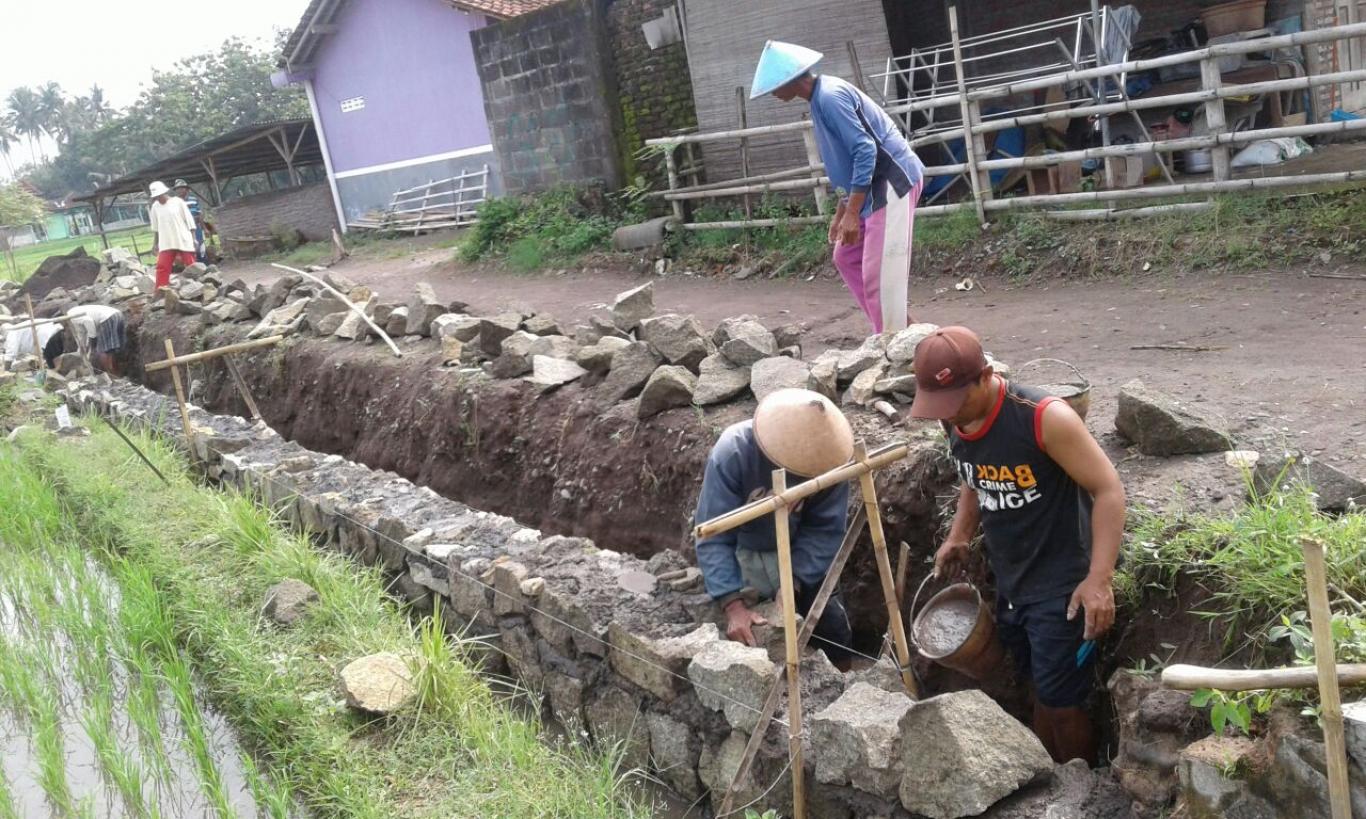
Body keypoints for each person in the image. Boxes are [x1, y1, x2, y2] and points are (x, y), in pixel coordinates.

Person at [910, 326, 1125, 765]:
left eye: (955, 404)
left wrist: (1099, 579)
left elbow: (1109, 490)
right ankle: (1046, 783)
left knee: (1062, 704)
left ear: (986, 376)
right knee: (1036, 690)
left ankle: (1080, 792)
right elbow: (974, 476)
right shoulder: (954, 421)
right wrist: (958, 535)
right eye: (940, 409)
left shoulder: (1044, 418)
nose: (949, 418)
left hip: (1063, 585)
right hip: (1012, 580)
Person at [750, 41, 926, 335]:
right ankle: (904, 331)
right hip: (871, 191)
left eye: (773, 88)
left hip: (890, 184)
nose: (772, 94)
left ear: (788, 81)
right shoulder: (818, 100)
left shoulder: (830, 97)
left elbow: (865, 150)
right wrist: (842, 210)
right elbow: (844, 162)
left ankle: (893, 345)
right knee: (846, 257)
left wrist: (852, 211)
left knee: (878, 278)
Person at [694, 388, 856, 670]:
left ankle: (845, 680)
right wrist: (732, 604)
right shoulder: (734, 452)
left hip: (799, 548)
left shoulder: (830, 460)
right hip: (746, 546)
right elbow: (715, 533)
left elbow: (824, 530)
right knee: (751, 628)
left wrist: (794, 580)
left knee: (831, 625)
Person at [148, 180, 197, 291]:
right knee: (162, 266)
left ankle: (198, 286)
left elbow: (189, 221)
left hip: (182, 238)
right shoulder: (155, 207)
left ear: (164, 193)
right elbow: (156, 228)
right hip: (166, 241)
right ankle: (160, 290)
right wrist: (155, 244)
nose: (158, 199)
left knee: (191, 265)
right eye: (156, 197)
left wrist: (194, 238)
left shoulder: (178, 202)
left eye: (159, 196)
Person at [65, 304, 126, 374]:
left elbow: (89, 321)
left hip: (107, 318)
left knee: (103, 349)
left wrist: (93, 340)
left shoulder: (72, 317)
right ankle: (118, 373)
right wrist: (81, 347)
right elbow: (82, 333)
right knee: (112, 349)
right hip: (117, 314)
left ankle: (111, 374)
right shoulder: (74, 313)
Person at [174, 179, 206, 262]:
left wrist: (204, 228)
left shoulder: (193, 199)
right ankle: (194, 265)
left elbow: (199, 214)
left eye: (182, 188)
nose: (180, 190)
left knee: (200, 245)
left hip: (196, 226)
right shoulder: (174, 202)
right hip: (184, 228)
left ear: (187, 189)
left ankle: (204, 264)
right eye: (178, 188)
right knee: (188, 247)